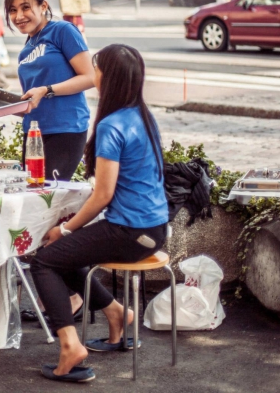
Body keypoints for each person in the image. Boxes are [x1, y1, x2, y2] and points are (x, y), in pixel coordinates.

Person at [30, 43, 169, 383]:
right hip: (155, 228)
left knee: (45, 259)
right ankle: (117, 314)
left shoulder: (112, 125)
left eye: (98, 70)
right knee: (67, 256)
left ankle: (70, 346)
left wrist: (65, 229)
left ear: (110, 78)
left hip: (130, 232)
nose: (94, 75)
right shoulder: (142, 116)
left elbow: (103, 195)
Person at [4, 0, 94, 181]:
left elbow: (90, 77)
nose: (18, 16)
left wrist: (46, 90)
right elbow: (32, 101)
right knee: (34, 197)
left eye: (25, 8)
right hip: (34, 133)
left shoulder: (63, 31)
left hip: (65, 130)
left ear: (43, 6)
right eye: (12, 10)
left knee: (49, 197)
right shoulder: (26, 50)